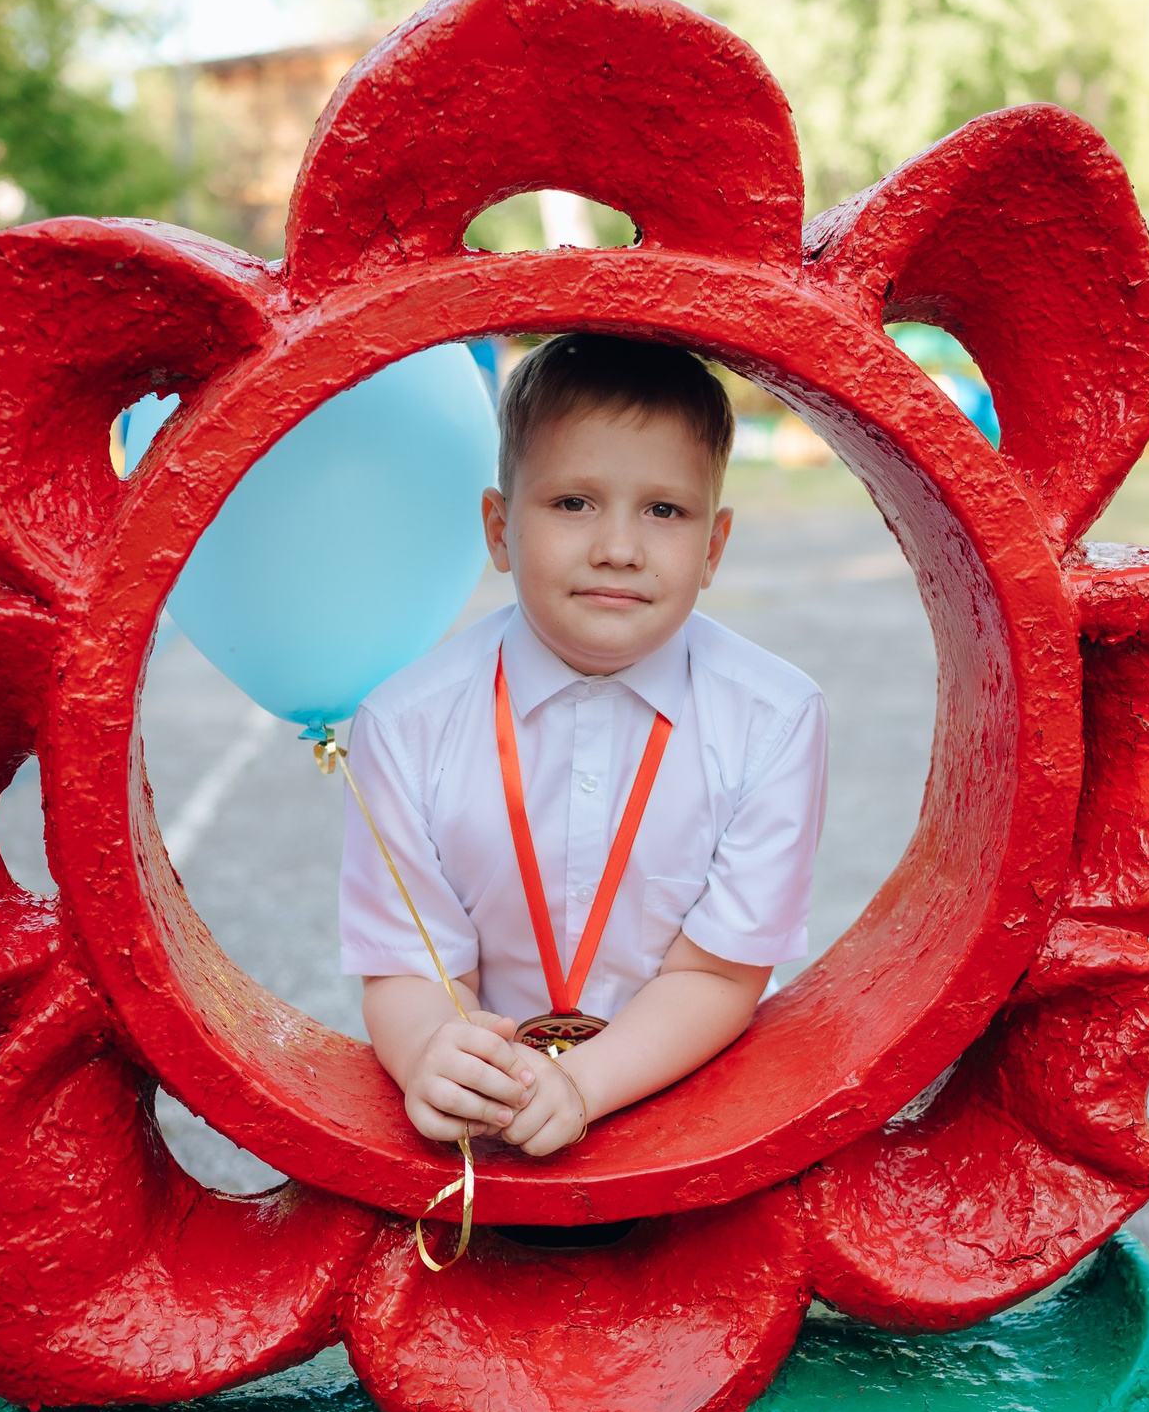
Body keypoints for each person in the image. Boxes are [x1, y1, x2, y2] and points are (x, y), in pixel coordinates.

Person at [339, 333, 828, 1161]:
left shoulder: (777, 717)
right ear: (498, 528)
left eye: (664, 510)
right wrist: (430, 1047)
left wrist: (584, 1081)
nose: (618, 548)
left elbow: (718, 974)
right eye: (573, 503)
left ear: (713, 547)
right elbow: (411, 967)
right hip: (496, 1114)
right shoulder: (402, 724)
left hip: (695, 1107)